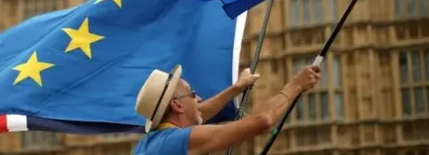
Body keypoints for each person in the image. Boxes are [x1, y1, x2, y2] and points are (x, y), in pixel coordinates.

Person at [133, 63, 321, 154]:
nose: (198, 98)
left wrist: (236, 89)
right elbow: (262, 121)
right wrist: (296, 86)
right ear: (177, 105)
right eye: (192, 94)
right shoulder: (175, 142)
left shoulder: (147, 145)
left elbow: (198, 112)